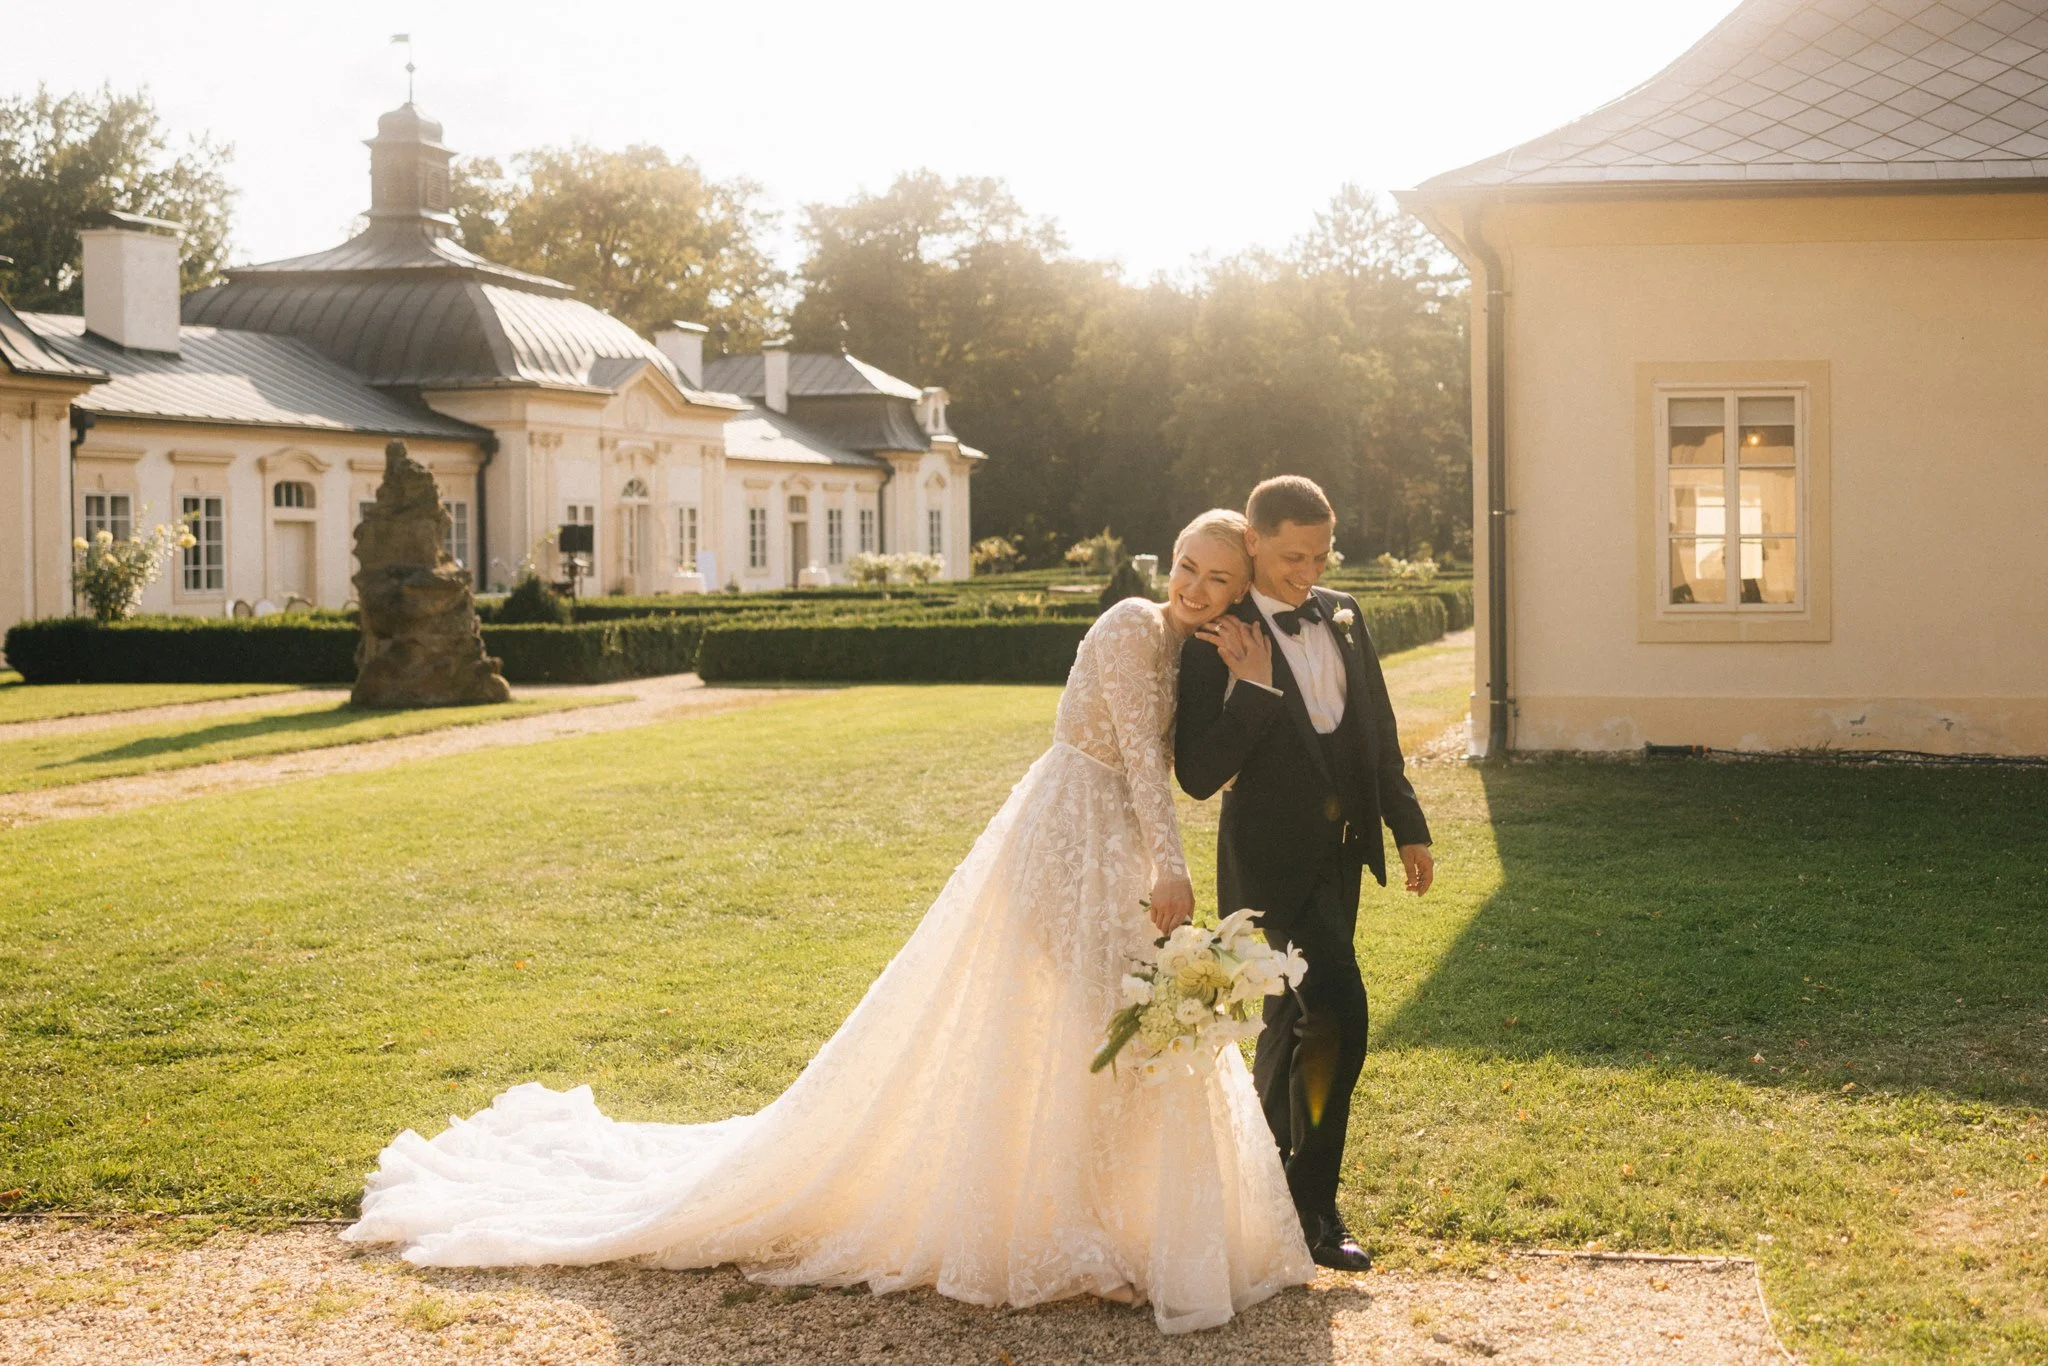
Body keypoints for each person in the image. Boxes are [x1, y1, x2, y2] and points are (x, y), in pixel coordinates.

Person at [342, 509, 1315, 1334]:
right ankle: (1079, 1226)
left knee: (1103, 1028)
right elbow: (1143, 770)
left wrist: (1237, 684)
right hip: (1069, 837)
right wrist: (1172, 869)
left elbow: (1179, 763)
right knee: (1089, 1022)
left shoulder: (1186, 644)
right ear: (1170, 561)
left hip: (1107, 842)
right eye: (1186, 566)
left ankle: (1102, 1219)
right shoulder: (1123, 626)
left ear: (1235, 592)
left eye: (1216, 579)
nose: (1194, 585)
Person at [1174, 475, 1434, 1273]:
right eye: (1291, 556)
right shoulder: (1214, 630)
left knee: (1289, 1025)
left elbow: (1375, 733)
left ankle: (1261, 1197)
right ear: (1252, 542)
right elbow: (1195, 770)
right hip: (1264, 866)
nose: (1308, 571)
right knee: (1337, 1014)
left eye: (1321, 554)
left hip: (1340, 857)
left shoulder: (1345, 615)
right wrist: (1251, 687)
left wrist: (1408, 826)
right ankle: (1314, 1208)